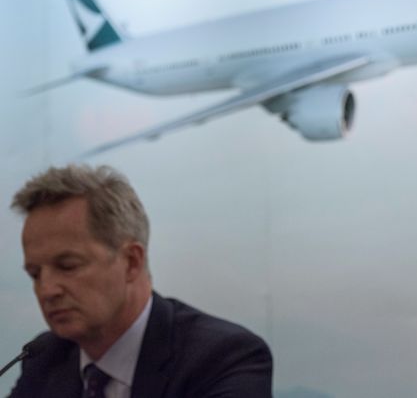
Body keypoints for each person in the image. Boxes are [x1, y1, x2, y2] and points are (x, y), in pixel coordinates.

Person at [9, 164, 272, 398]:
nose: (47, 290)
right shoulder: (47, 357)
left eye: (68, 266)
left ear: (131, 261)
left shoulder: (222, 357)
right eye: (35, 274)